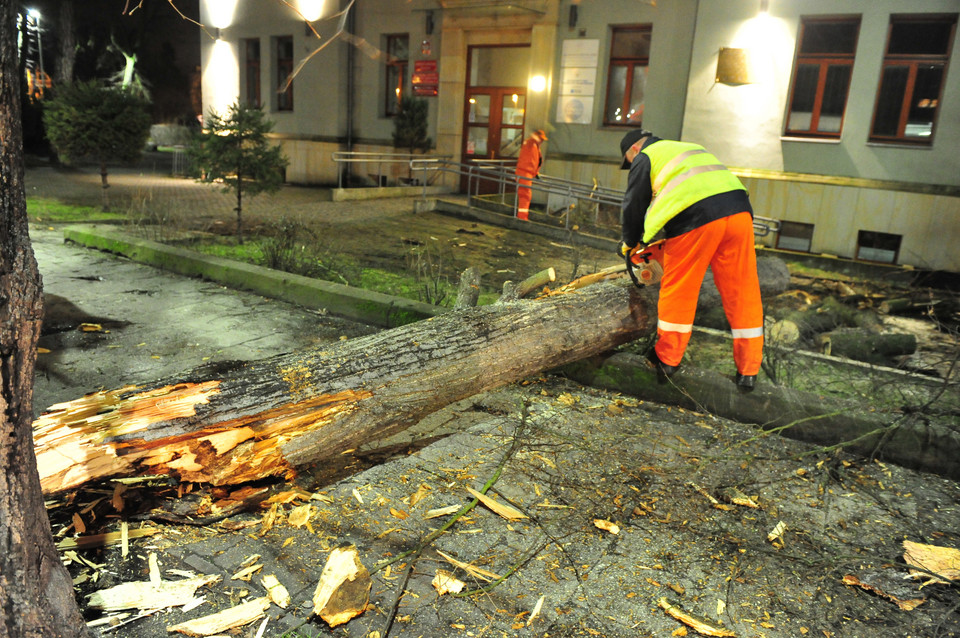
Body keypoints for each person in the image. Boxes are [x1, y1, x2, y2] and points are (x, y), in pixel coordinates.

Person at [618, 129, 763, 392]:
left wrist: (630, 242)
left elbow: (634, 204)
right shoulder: (688, 149)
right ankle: (749, 370)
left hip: (696, 218)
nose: (630, 165)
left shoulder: (645, 157)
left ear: (634, 150)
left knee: (681, 287)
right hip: (740, 212)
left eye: (628, 161)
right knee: (743, 290)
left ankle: (667, 359)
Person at [515, 129, 548, 221]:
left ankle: (522, 216)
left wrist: (536, 173)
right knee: (525, 195)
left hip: (527, 174)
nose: (542, 141)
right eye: (541, 139)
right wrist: (535, 136)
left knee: (525, 195)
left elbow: (533, 161)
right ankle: (522, 218)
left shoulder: (535, 146)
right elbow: (531, 161)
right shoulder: (530, 143)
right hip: (524, 173)